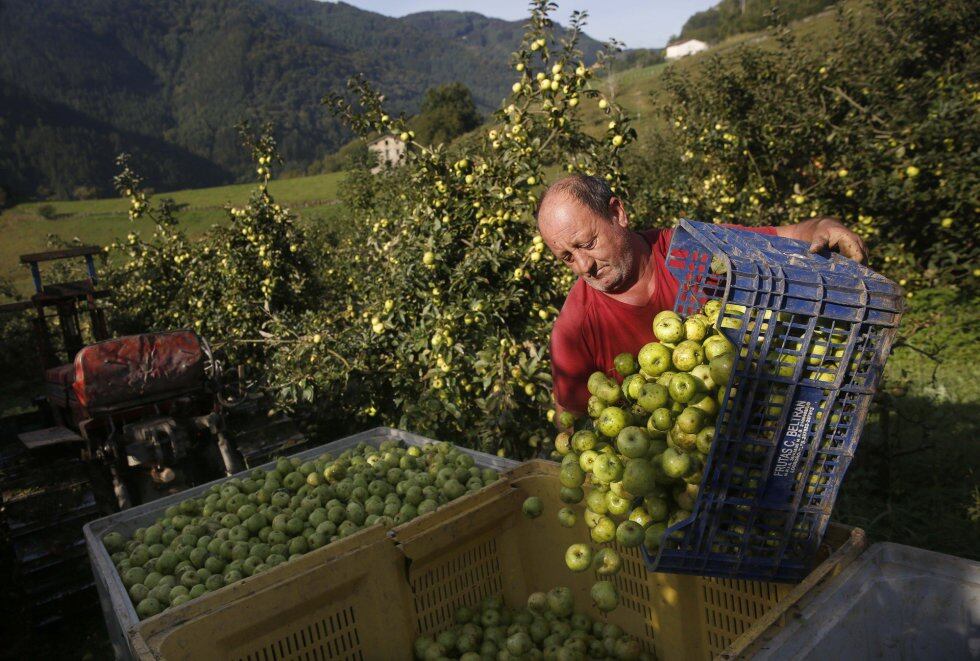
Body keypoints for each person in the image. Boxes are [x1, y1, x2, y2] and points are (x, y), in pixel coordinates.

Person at [536, 174, 869, 419]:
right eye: (566, 257)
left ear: (617, 213)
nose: (583, 266)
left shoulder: (691, 251)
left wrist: (822, 226)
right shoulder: (574, 331)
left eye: (587, 244)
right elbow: (574, 427)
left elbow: (783, 239)